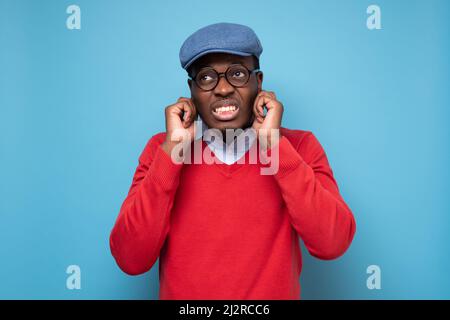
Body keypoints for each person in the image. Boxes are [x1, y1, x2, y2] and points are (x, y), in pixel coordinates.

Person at [109, 22, 356, 299]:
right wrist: (174, 151)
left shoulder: (298, 147)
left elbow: (332, 243)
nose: (223, 89)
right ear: (191, 90)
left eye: (237, 74)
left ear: (259, 82)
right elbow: (130, 258)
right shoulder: (163, 150)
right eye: (206, 77)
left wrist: (274, 146)